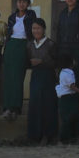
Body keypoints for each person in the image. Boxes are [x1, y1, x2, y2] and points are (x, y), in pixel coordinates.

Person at [3, 0, 36, 121]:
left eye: (24, 2)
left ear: (28, 4)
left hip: (23, 45)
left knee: (17, 78)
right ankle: (7, 108)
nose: (21, 4)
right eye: (19, 2)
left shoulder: (31, 15)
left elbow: (32, 31)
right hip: (11, 46)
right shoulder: (11, 17)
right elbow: (8, 34)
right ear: (16, 3)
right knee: (8, 78)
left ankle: (16, 108)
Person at [26, 18, 58, 146]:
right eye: (34, 28)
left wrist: (42, 62)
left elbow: (56, 62)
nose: (36, 31)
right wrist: (30, 63)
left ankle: (48, 135)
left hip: (48, 76)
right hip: (36, 76)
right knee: (34, 104)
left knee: (47, 105)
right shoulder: (29, 45)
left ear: (44, 29)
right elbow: (26, 61)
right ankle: (34, 135)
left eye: (38, 28)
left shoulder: (51, 44)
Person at [56, 54, 79, 144]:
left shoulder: (64, 72)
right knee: (71, 118)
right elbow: (72, 87)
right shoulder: (68, 73)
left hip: (66, 98)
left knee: (70, 118)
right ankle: (67, 139)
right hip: (67, 98)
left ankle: (71, 138)